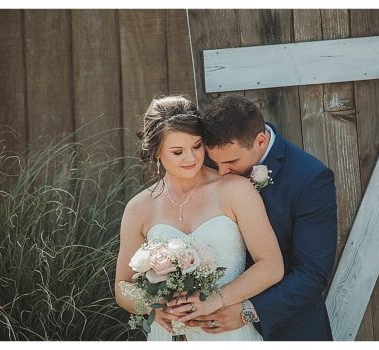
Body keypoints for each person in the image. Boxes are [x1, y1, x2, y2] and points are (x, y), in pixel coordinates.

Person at [113, 95, 285, 341]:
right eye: (177, 152)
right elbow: (122, 285)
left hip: (228, 331)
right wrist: (153, 307)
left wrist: (217, 299)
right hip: (169, 334)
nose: (191, 158)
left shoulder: (236, 189)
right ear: (156, 151)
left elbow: (271, 266)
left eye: (196, 146)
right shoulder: (138, 207)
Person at [182, 94, 338, 341]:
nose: (220, 171)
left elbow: (312, 273)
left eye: (231, 161)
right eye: (215, 161)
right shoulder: (207, 162)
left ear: (260, 140)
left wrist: (249, 310)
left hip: (287, 329)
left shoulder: (310, 179)